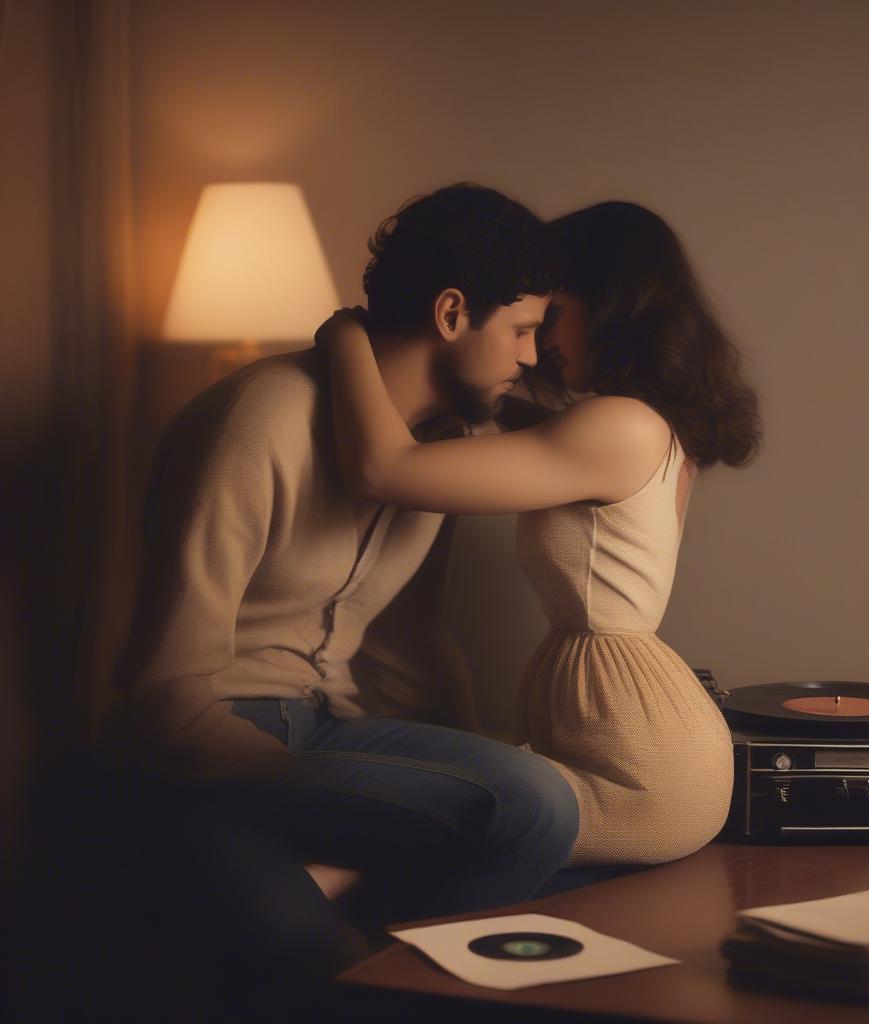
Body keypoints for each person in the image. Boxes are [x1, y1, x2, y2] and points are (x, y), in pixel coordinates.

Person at [109, 183, 580, 1012]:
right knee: (315, 948)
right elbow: (164, 690)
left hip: (333, 726)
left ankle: (399, 976)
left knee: (541, 795)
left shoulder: (445, 445)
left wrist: (438, 766)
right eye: (523, 330)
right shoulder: (256, 420)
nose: (531, 357)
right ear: (449, 314)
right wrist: (338, 796)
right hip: (211, 739)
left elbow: (408, 649)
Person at [318, 200, 762, 867]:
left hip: (646, 778)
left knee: (380, 848)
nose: (537, 344)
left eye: (552, 313)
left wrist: (344, 335)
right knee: (395, 835)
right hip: (633, 751)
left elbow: (382, 470)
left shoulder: (618, 427)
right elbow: (513, 431)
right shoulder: (636, 422)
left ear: (608, 304)